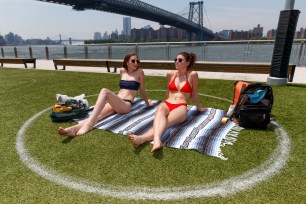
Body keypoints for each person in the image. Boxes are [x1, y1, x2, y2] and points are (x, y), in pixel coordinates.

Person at [58, 52, 152, 137]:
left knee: (104, 91)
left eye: (137, 61)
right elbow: (122, 89)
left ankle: (89, 125)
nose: (136, 63)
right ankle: (72, 129)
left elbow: (142, 89)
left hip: (125, 105)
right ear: (127, 62)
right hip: (117, 101)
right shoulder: (122, 70)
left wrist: (147, 103)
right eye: (133, 60)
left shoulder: (140, 72)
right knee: (98, 115)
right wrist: (113, 99)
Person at [129, 52, 207, 152]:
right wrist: (164, 104)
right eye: (176, 59)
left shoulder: (192, 75)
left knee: (165, 123)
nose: (176, 62)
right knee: (160, 110)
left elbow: (195, 93)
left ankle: (142, 139)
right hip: (167, 103)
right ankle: (157, 141)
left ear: (187, 63)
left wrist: (199, 108)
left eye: (180, 60)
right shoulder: (170, 74)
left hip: (180, 106)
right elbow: (168, 91)